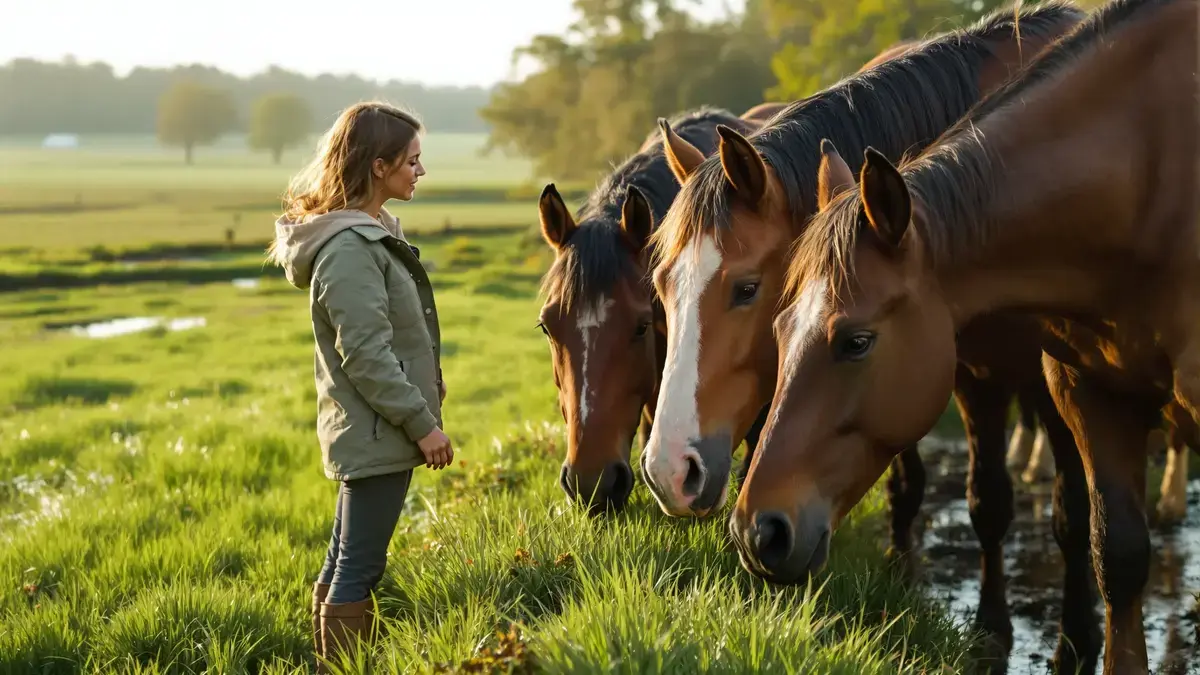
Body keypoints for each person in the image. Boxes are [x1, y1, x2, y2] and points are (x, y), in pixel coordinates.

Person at [267, 101, 454, 671]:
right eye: (411, 161)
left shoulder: (371, 234)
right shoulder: (349, 249)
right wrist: (422, 424)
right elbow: (367, 356)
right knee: (359, 567)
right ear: (378, 166)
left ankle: (326, 665)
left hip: (376, 427)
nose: (420, 171)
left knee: (344, 559)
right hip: (379, 429)